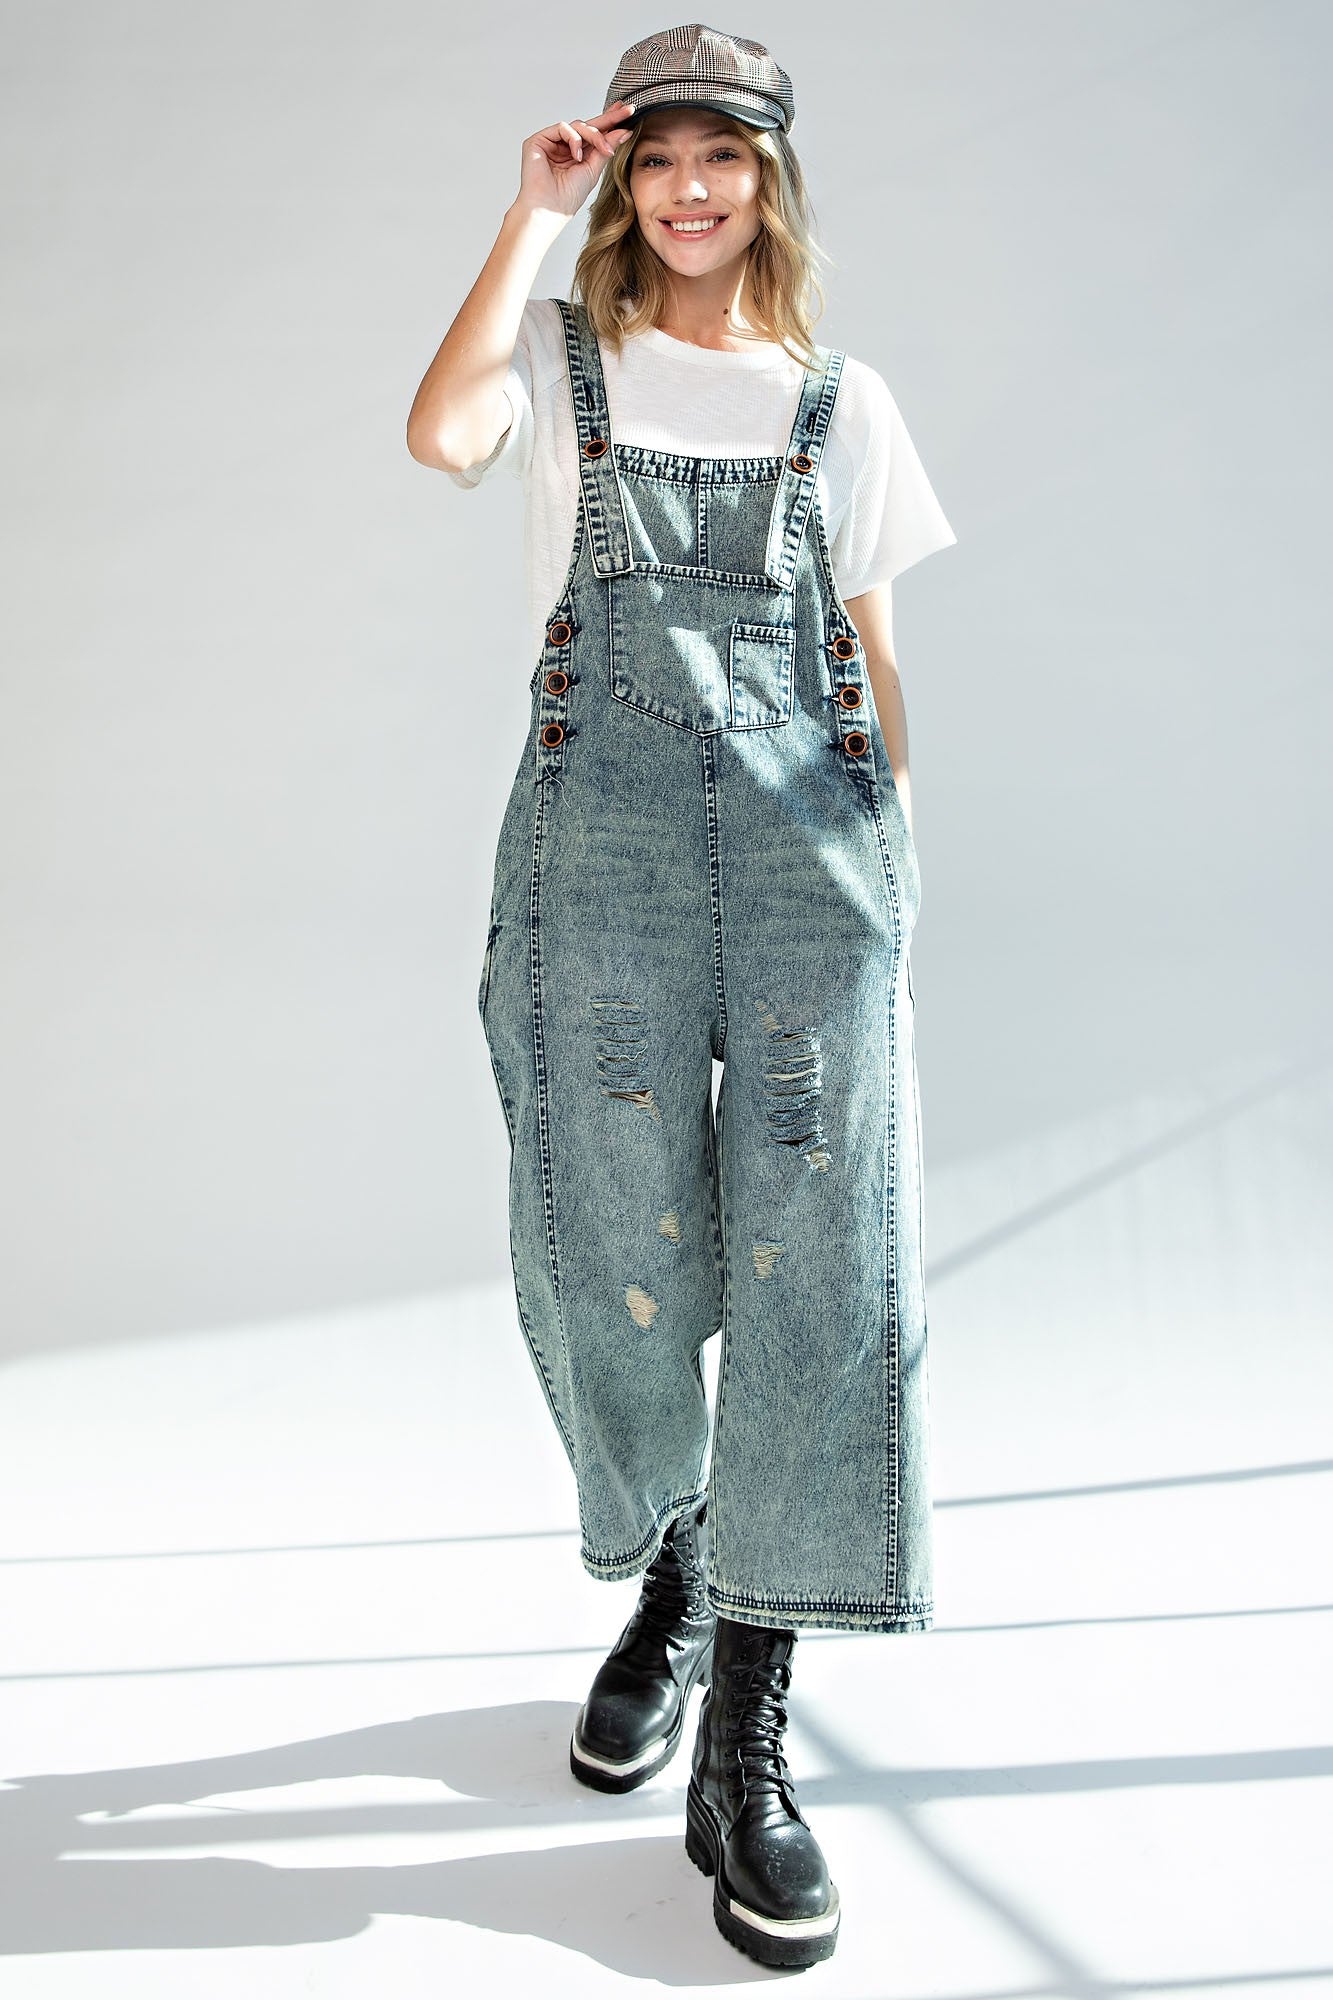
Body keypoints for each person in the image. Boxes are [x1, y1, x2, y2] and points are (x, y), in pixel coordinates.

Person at [407, 24, 956, 1970]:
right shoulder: (568, 362)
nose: (691, 190)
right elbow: (438, 434)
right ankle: (682, 1562)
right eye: (658, 161)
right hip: (602, 866)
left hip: (816, 875)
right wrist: (527, 214)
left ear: (768, 182)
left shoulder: (837, 399)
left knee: (823, 1272)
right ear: (624, 182)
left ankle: (748, 1730)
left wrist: (894, 887)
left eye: (723, 158)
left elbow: (869, 656)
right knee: (602, 1241)